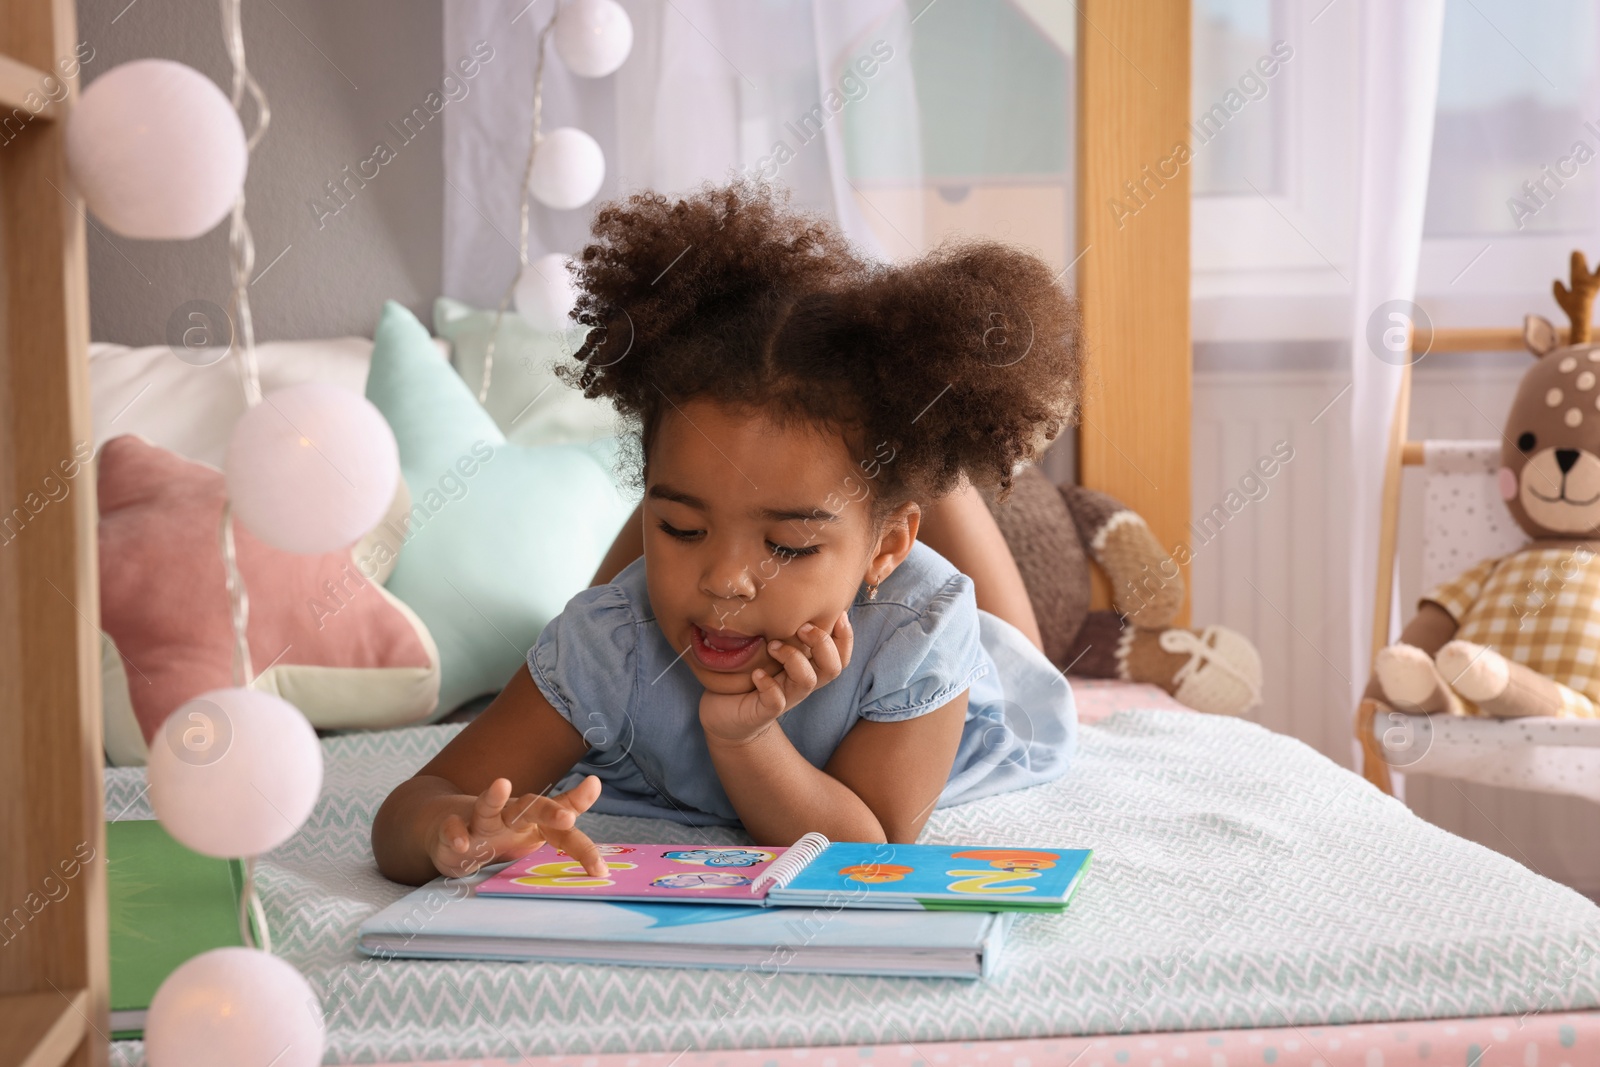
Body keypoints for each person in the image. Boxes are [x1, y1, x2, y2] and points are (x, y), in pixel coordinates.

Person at [372, 181, 1084, 887]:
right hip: (693, 575)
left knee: (1015, 640)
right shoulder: (604, 644)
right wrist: (451, 830)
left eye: (789, 546)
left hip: (953, 677)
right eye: (680, 526)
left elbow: (871, 847)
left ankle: (915, 477)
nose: (726, 577)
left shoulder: (922, 624)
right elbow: (413, 807)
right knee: (670, 561)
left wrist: (744, 738)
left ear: (889, 549)